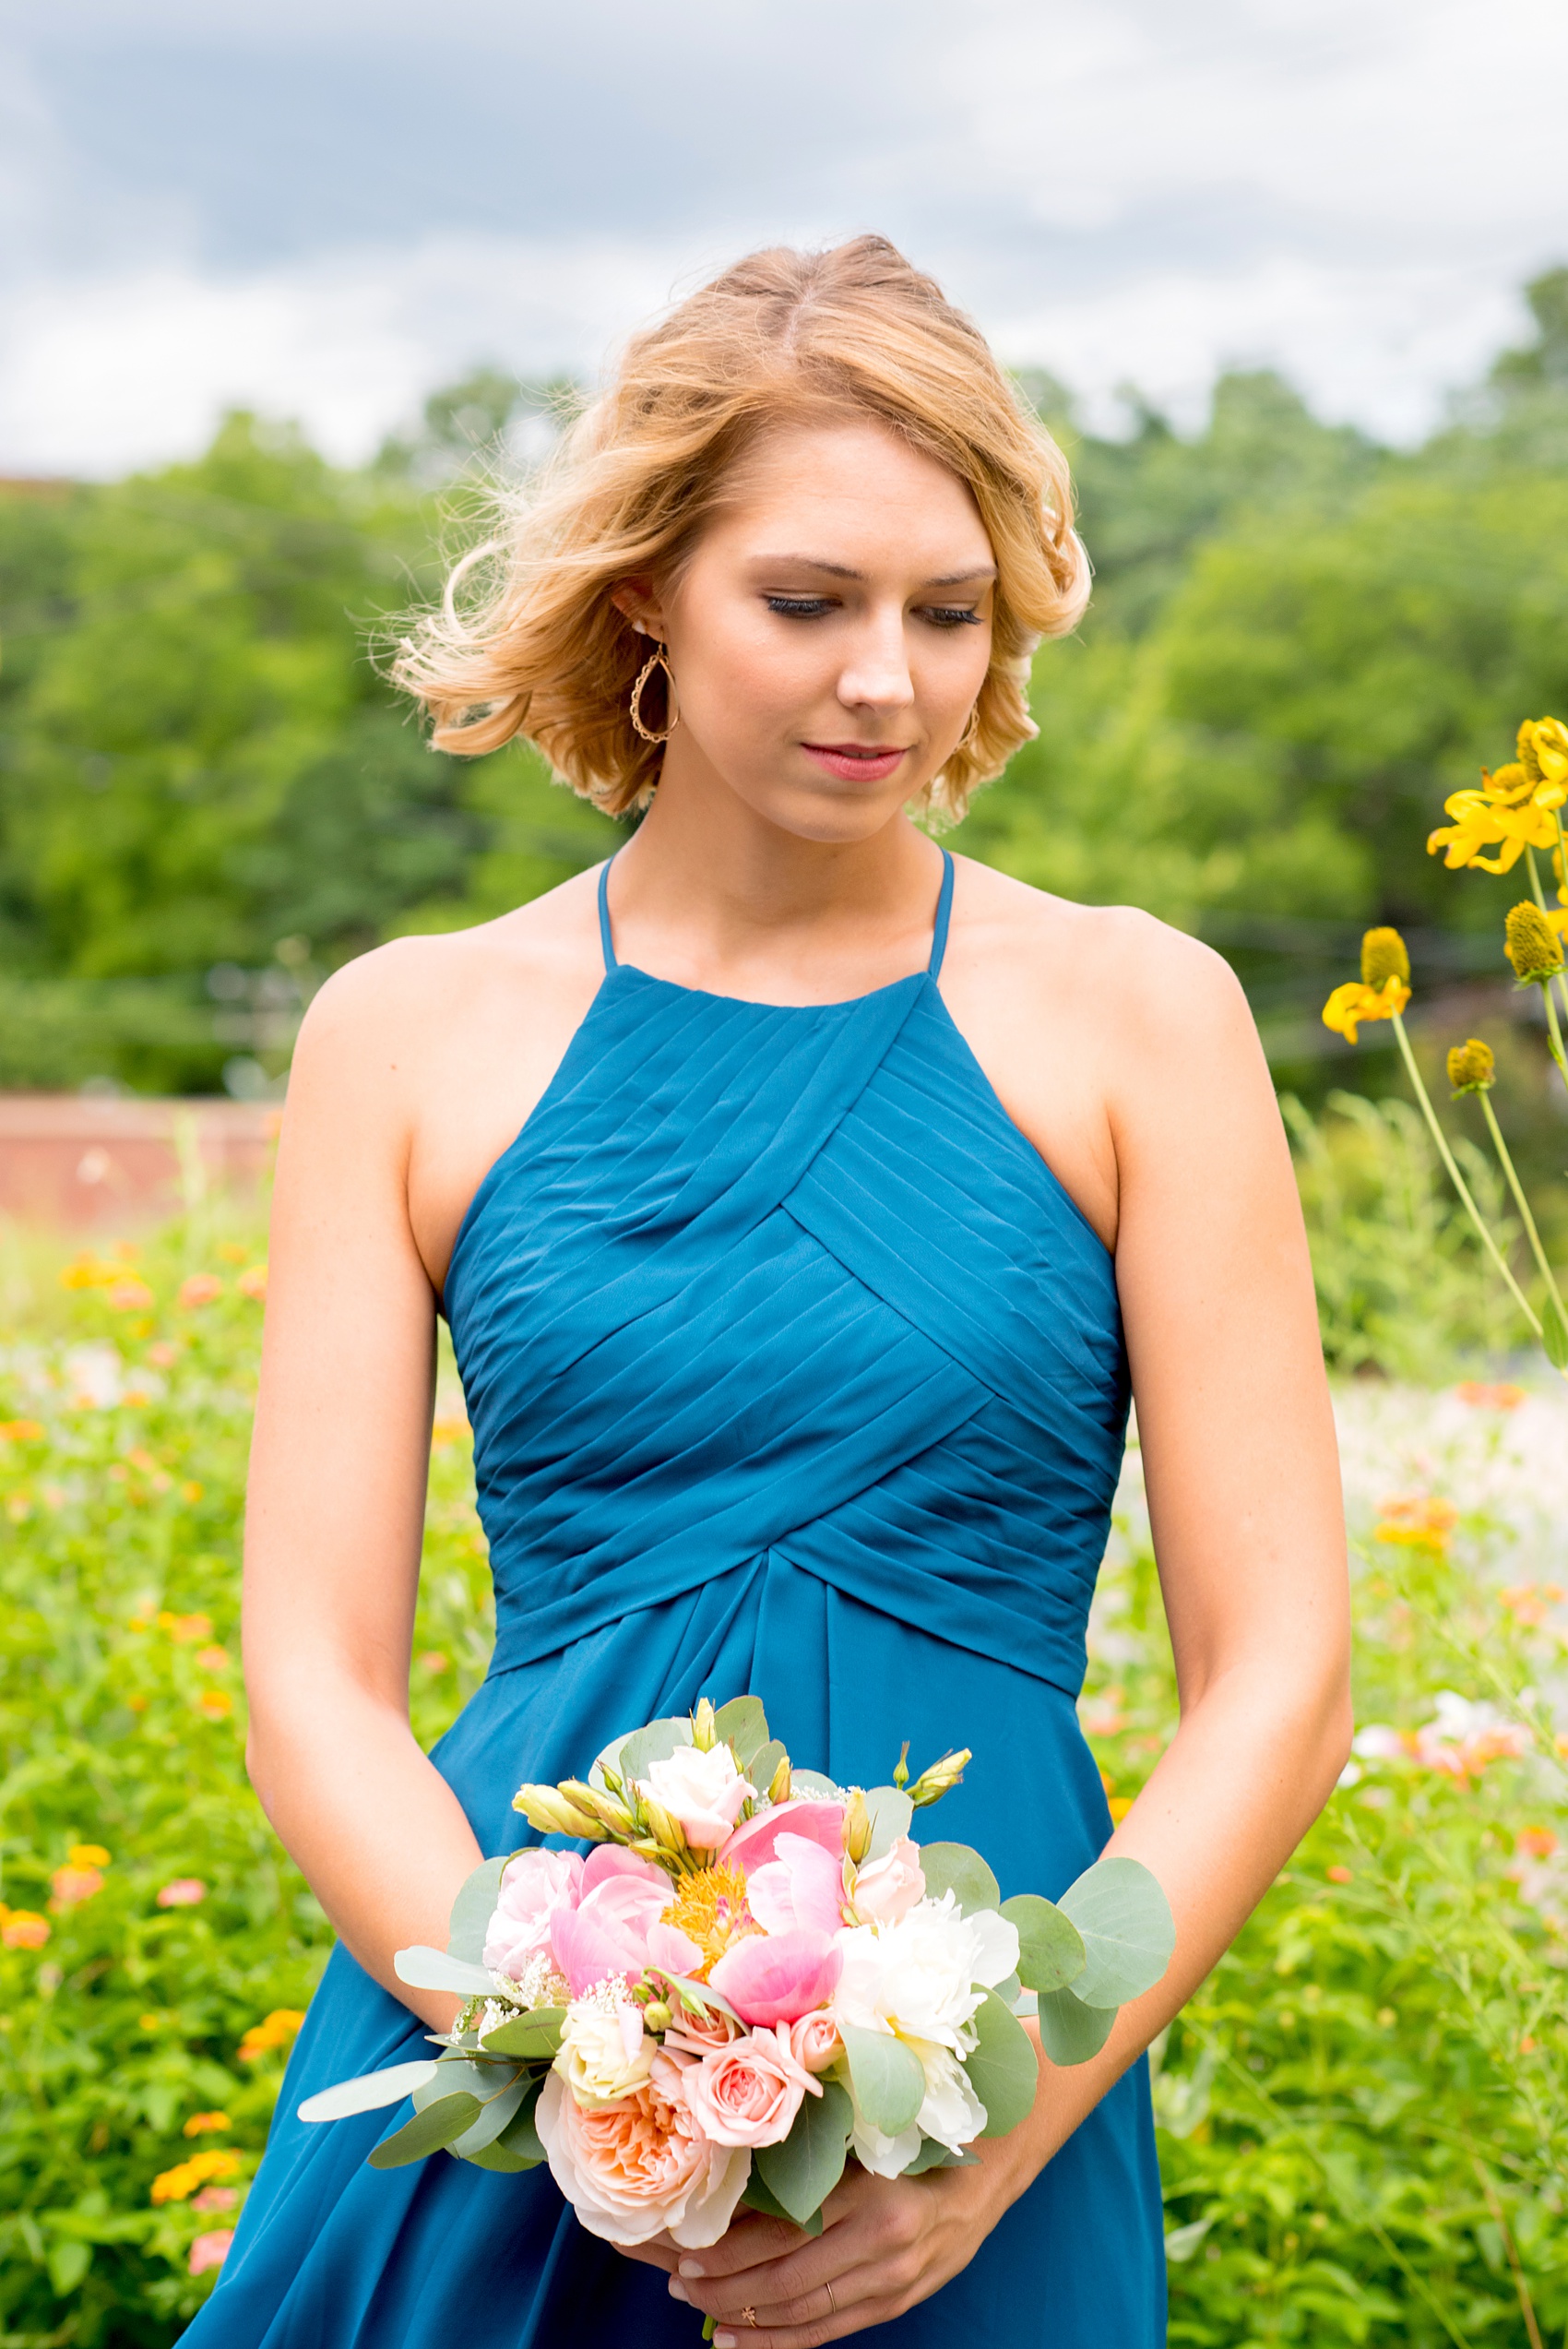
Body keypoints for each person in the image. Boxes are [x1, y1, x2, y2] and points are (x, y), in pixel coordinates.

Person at [189, 237, 1350, 2347]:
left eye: (947, 608)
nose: (887, 680)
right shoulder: (406, 1031)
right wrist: (577, 2064)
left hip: (989, 2094)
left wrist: (990, 2144)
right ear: (647, 591)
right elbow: (311, 1682)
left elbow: (1280, 1682)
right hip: (504, 2080)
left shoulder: (1141, 1017)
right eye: (807, 601)